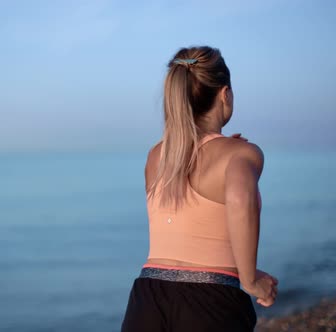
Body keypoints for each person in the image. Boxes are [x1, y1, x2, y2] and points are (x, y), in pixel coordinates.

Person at [120, 46, 278, 332]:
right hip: (209, 301)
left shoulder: (157, 156)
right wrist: (250, 278)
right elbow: (240, 198)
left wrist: (224, 150)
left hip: (147, 298)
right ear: (225, 94)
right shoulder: (241, 154)